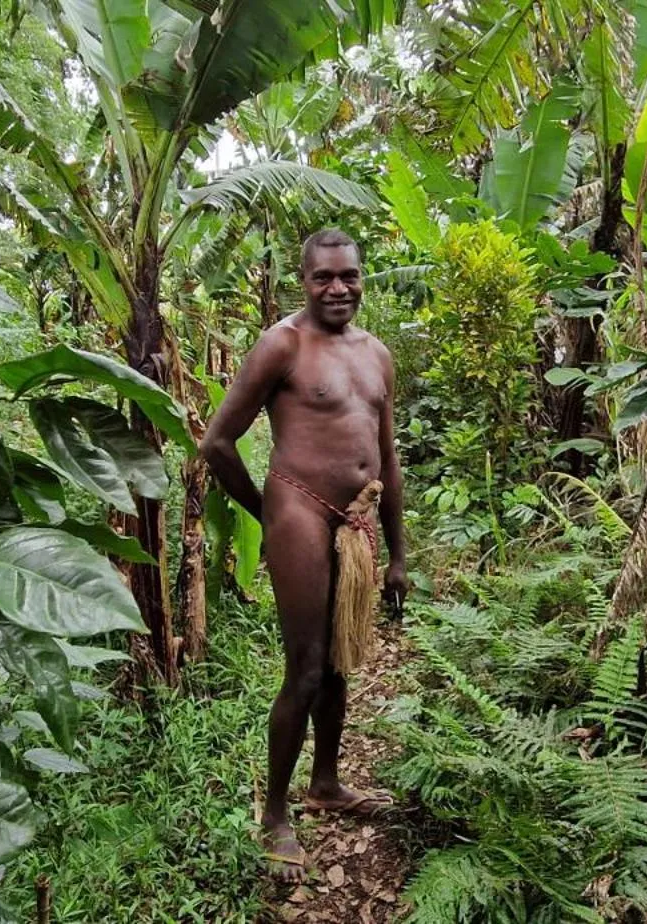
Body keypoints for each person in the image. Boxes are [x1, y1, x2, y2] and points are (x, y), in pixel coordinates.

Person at [199, 228, 410, 882]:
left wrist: (399, 554)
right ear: (304, 280)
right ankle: (274, 814)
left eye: (349, 275)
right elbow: (217, 443)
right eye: (324, 277)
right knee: (308, 667)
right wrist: (267, 514)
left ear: (362, 277)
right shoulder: (282, 345)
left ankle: (326, 783)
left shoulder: (377, 355)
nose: (338, 288)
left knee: (340, 660)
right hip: (298, 507)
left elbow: (388, 458)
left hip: (357, 517)